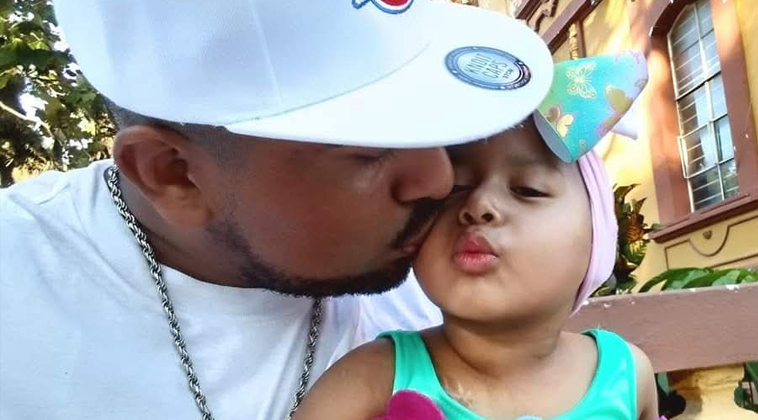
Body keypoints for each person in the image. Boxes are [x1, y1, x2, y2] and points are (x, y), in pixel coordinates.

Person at [0, 0, 556, 419]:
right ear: (173, 174)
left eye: (438, 127)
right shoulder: (18, 303)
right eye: (370, 151)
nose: (440, 182)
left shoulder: (451, 273)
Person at [292, 53, 661, 420]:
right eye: (455, 187)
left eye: (527, 189)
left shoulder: (629, 377)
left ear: (598, 237)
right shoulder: (370, 380)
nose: (478, 205)